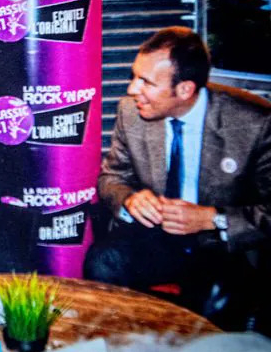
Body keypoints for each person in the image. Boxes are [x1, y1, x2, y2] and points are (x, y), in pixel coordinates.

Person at [84, 26, 271, 320]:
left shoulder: (253, 125)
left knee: (217, 299)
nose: (132, 90)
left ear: (184, 90)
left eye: (146, 82)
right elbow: (112, 177)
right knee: (103, 262)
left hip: (221, 245)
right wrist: (130, 200)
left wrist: (212, 218)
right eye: (134, 77)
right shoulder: (131, 113)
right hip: (155, 237)